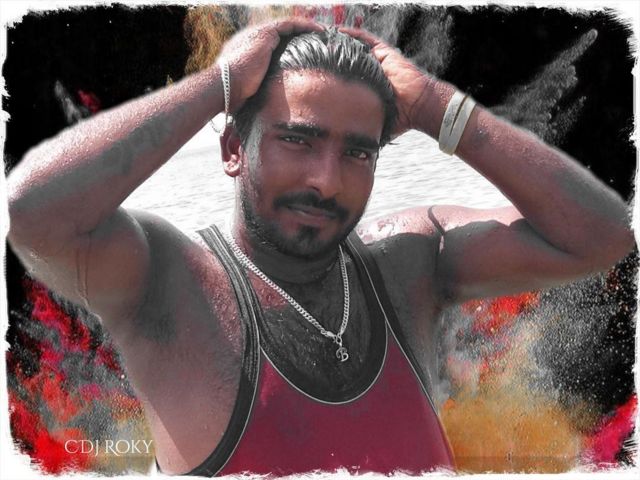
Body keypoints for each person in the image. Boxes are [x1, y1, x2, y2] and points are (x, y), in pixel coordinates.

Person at [6, 18, 634, 476]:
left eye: (357, 152)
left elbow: (601, 237)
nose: (326, 182)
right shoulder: (172, 285)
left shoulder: (410, 262)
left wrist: (438, 108)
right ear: (233, 149)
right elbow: (34, 213)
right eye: (298, 140)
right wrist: (220, 83)